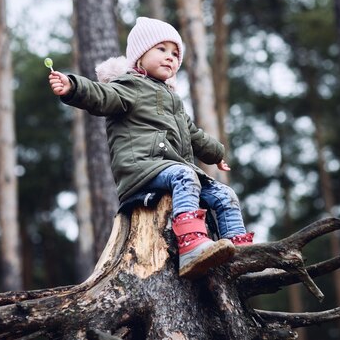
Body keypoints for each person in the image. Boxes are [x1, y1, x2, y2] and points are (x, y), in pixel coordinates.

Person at [49, 17, 253, 279]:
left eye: (175, 53)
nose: (170, 57)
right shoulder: (128, 86)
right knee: (185, 175)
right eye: (161, 49)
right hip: (142, 168)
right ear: (139, 57)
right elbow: (102, 97)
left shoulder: (173, 100)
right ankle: (191, 244)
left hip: (169, 168)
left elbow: (193, 134)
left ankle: (242, 259)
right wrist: (73, 87)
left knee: (225, 194)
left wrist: (217, 154)